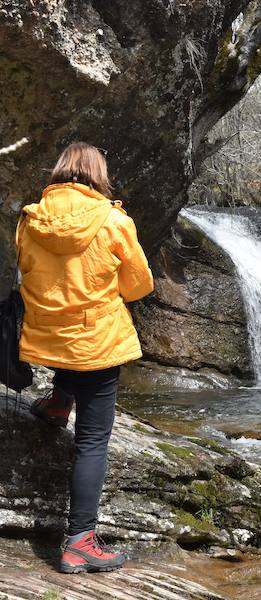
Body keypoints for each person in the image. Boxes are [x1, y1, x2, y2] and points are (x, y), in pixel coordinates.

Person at [15, 142, 154, 573]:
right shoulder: (114, 221)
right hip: (93, 344)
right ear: (98, 175)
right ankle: (80, 541)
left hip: (48, 336)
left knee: (65, 330)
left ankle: (58, 402)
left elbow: (26, 276)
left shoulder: (29, 219)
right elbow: (137, 287)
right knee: (93, 442)